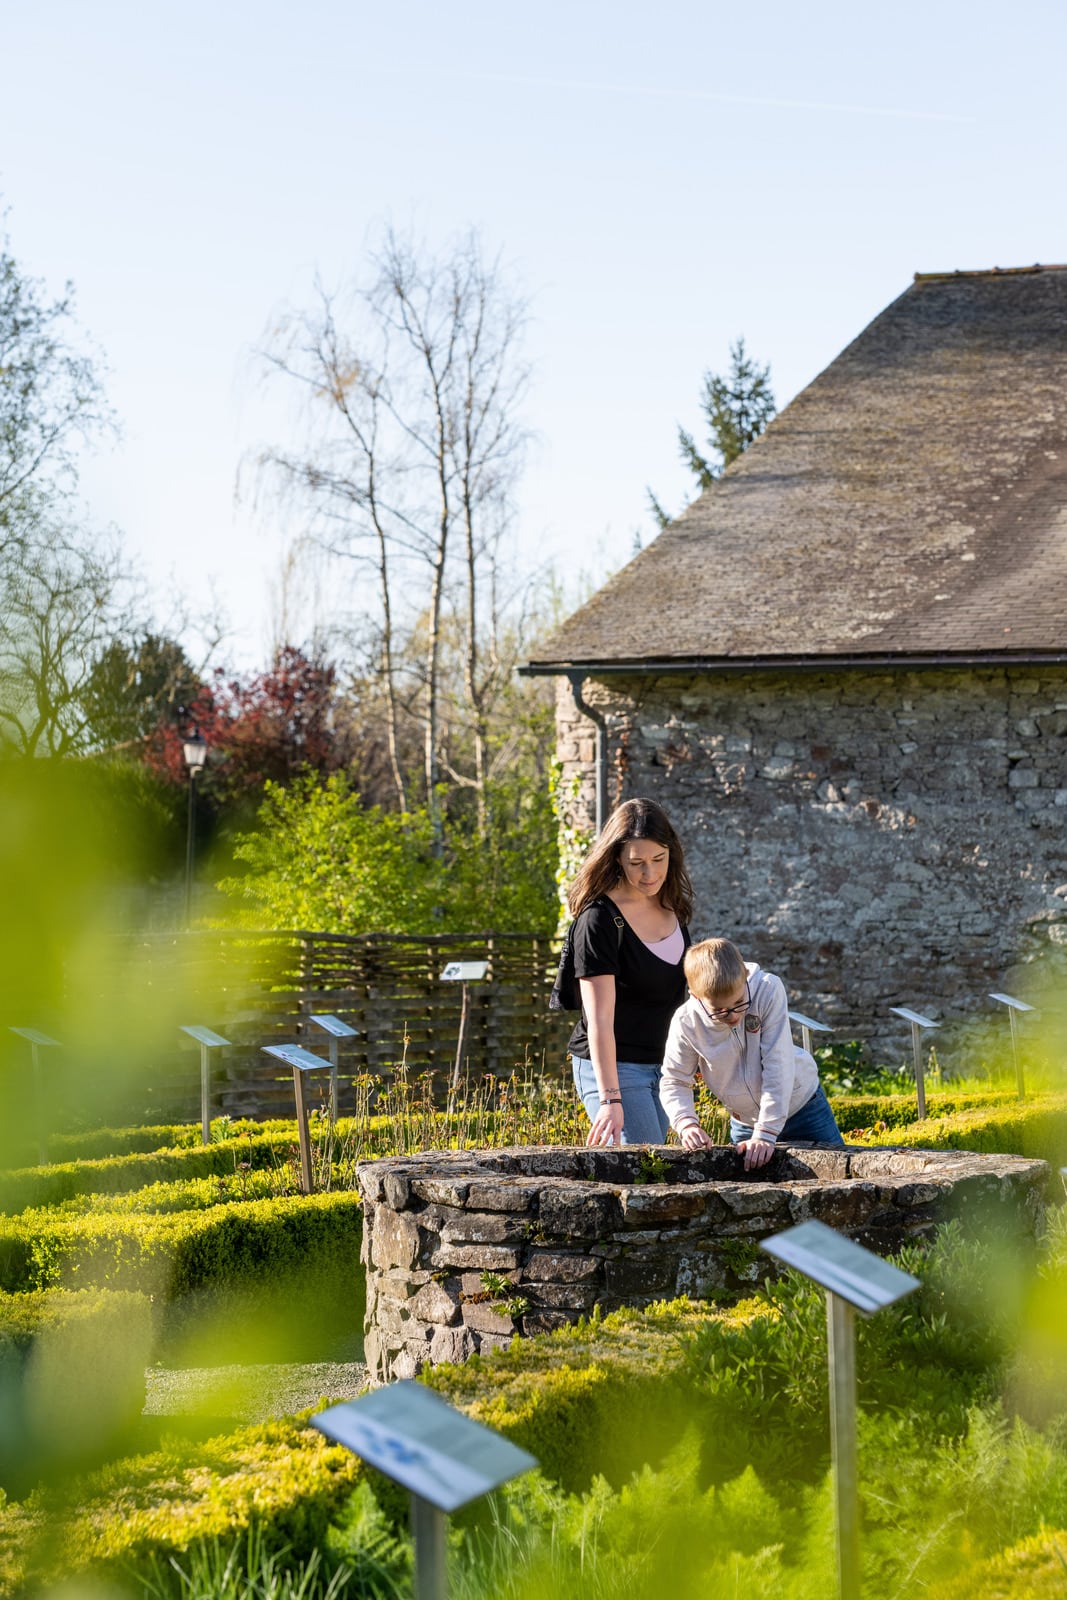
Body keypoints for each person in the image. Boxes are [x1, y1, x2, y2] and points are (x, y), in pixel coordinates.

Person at [567, 797, 693, 1146]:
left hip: (664, 1066)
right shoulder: (599, 919)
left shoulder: (673, 907)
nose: (649, 874)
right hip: (614, 1067)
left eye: (658, 860)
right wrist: (610, 1099)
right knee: (644, 1170)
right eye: (636, 863)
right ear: (617, 858)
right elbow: (599, 1021)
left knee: (658, 1170)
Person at [658, 937, 844, 1170]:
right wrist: (686, 1123)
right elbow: (674, 1080)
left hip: (803, 1108)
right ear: (695, 997)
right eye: (719, 1011)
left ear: (745, 978)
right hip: (745, 1122)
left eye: (739, 1002)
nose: (733, 1016)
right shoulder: (686, 1022)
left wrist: (766, 1133)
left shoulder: (768, 989)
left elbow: (778, 1063)